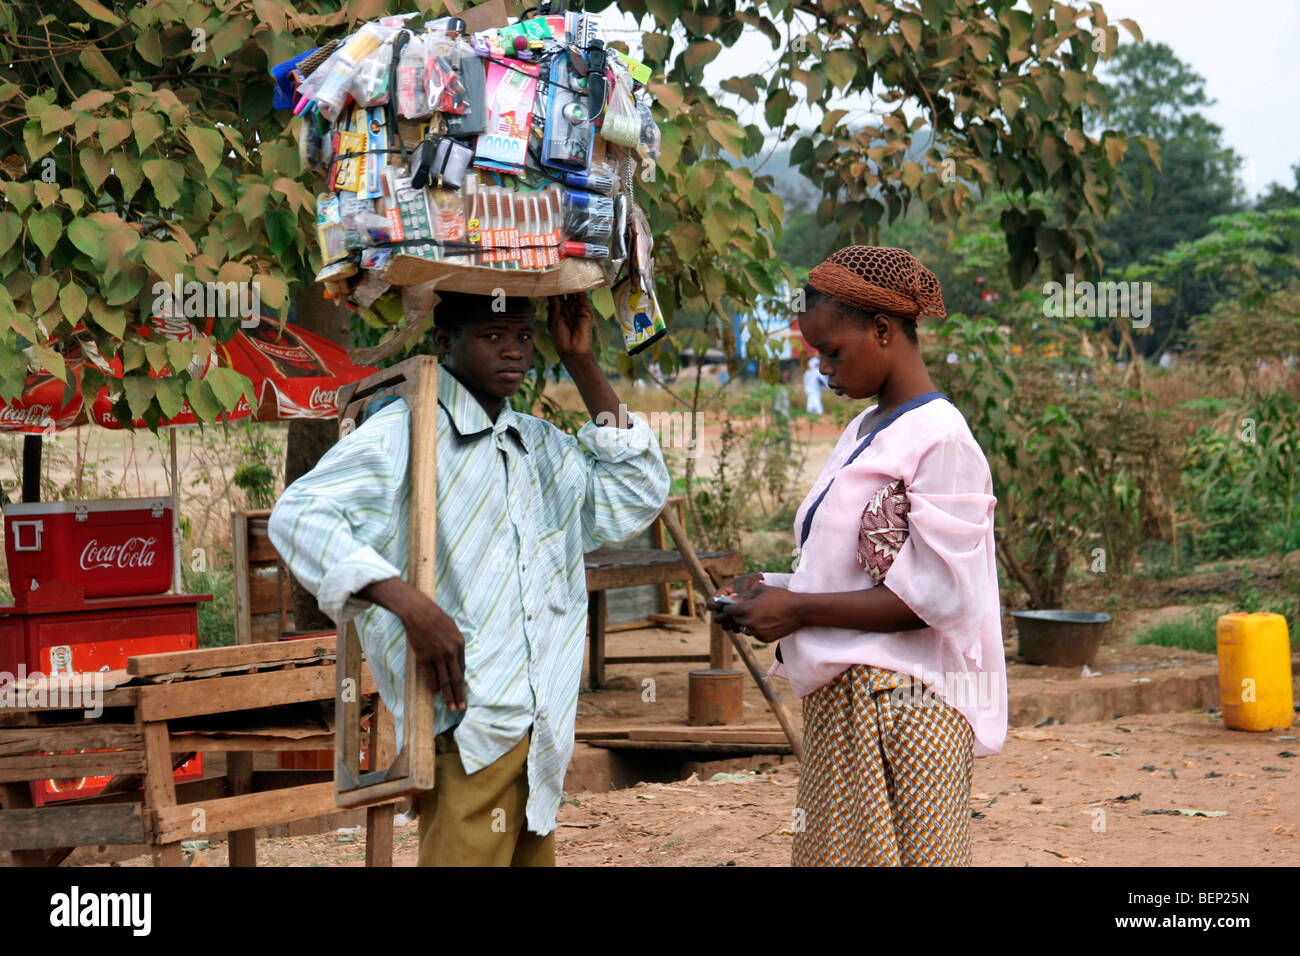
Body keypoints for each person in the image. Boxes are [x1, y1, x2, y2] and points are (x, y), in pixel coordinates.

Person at [269, 291, 669, 866]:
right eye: (491, 336)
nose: (513, 351)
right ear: (443, 342)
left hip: (542, 730)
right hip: (467, 724)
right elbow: (301, 515)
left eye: (524, 338)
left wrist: (580, 360)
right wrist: (410, 605)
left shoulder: (539, 447)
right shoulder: (403, 434)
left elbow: (635, 491)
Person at [713, 246, 1006, 867]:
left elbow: (941, 598)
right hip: (848, 701)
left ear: (882, 330)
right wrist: (775, 586)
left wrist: (798, 609)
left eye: (832, 352)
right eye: (816, 354)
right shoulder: (868, 426)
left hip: (906, 711)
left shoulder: (943, 441)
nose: (822, 368)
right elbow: (859, 566)